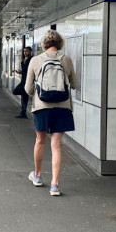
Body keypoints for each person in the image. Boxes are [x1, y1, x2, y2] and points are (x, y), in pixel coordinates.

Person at [24, 30, 78, 197]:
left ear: (44, 44)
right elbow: (74, 85)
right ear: (60, 43)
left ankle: (37, 176)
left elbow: (28, 88)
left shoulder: (35, 60)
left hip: (42, 107)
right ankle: (55, 184)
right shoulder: (66, 60)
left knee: (40, 141)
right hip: (62, 107)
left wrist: (38, 92)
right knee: (56, 144)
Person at [16, 46, 33, 118]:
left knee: (22, 95)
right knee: (24, 97)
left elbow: (25, 70)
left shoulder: (30, 60)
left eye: (27, 51)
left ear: (30, 51)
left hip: (26, 81)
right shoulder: (28, 59)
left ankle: (23, 112)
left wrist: (22, 63)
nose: (25, 53)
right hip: (25, 80)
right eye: (24, 51)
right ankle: (23, 112)